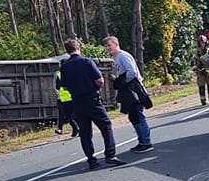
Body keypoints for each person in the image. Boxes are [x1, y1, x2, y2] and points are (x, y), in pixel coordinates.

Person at [56, 38, 124, 170]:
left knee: (85, 132)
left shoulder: (64, 67)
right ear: (78, 48)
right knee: (106, 126)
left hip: (77, 101)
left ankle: (91, 160)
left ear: (67, 51)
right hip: (92, 99)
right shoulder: (87, 62)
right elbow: (100, 80)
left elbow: (63, 85)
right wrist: (95, 87)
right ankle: (110, 155)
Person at [104, 35, 153, 152]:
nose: (107, 48)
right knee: (133, 116)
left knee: (139, 115)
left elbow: (132, 72)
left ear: (116, 44)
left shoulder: (123, 56)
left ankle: (146, 142)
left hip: (134, 89)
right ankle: (141, 141)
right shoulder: (116, 58)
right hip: (128, 91)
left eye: (109, 45)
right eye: (106, 46)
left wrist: (122, 82)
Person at [53, 61, 79, 137]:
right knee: (74, 115)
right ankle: (77, 129)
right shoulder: (72, 72)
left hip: (63, 98)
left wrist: (59, 95)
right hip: (73, 97)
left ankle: (75, 128)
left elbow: (55, 87)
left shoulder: (57, 73)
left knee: (68, 116)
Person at [193, 34, 209, 105]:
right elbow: (194, 61)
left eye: (203, 43)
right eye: (201, 43)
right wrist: (197, 68)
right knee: (201, 86)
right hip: (200, 72)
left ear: (206, 43)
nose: (202, 44)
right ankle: (203, 100)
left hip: (208, 71)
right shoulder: (197, 51)